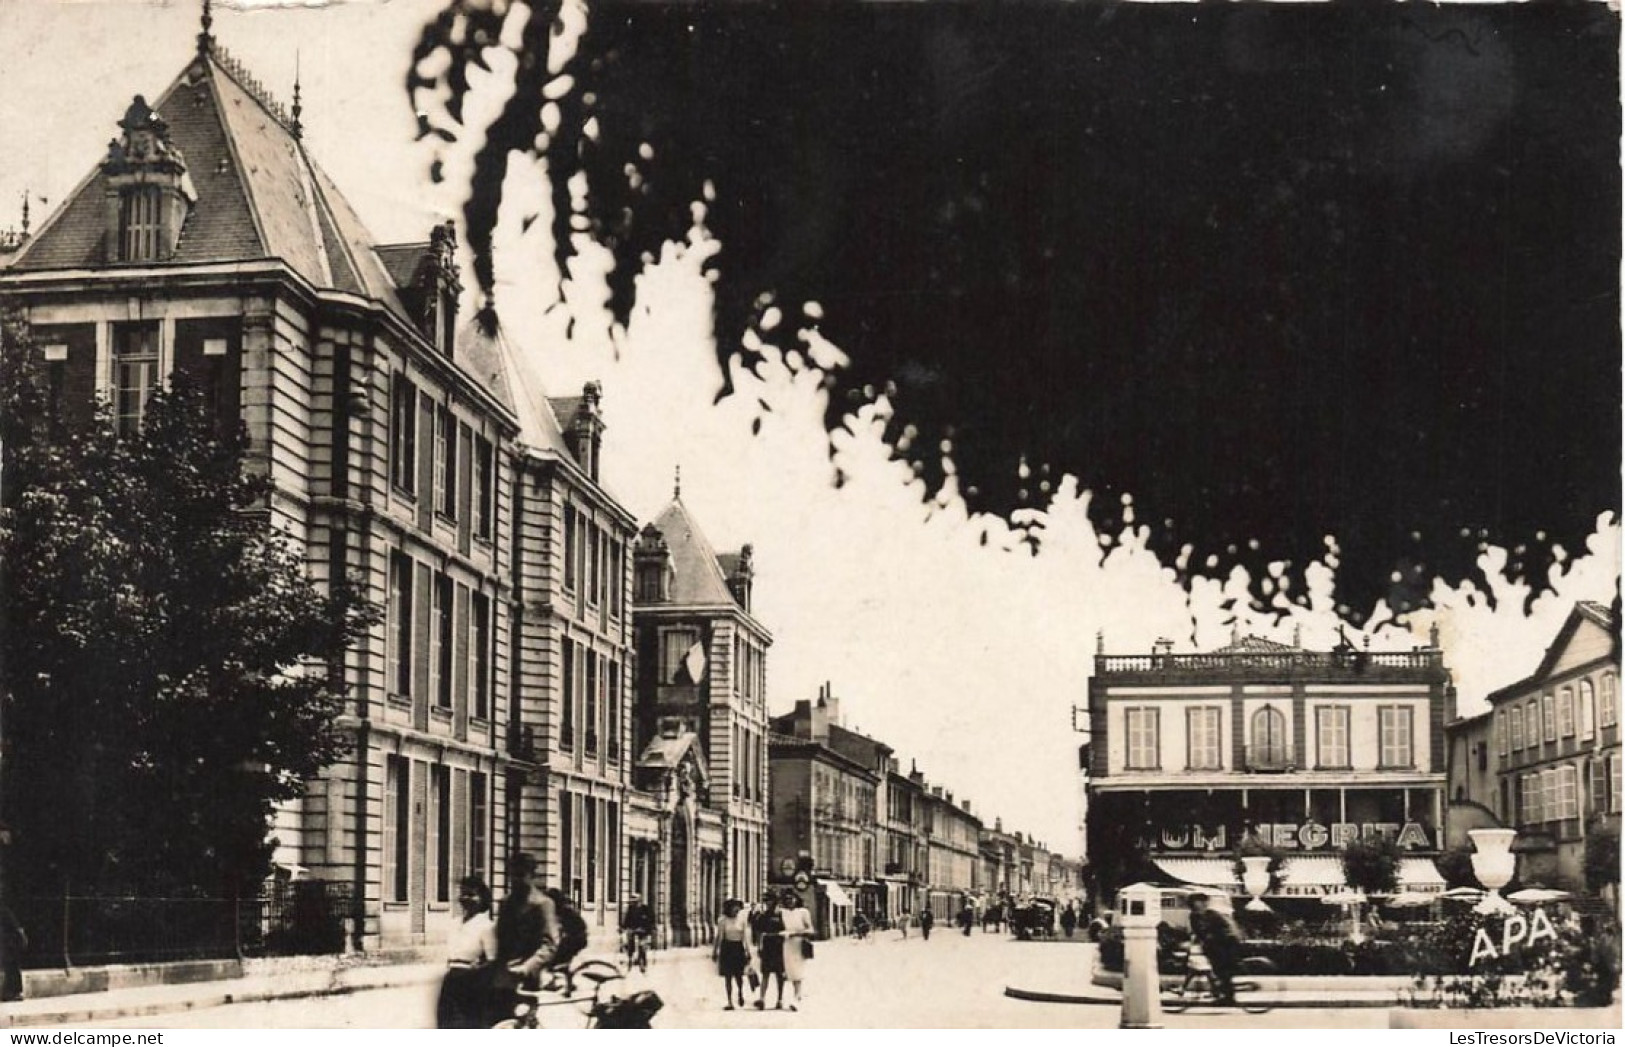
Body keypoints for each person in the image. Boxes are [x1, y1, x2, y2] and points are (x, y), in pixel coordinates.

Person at [492, 854, 565, 1022]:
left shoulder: (542, 904)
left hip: (527, 978)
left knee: (523, 1023)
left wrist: (527, 967)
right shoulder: (506, 903)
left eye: (520, 875)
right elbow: (499, 938)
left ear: (532, 875)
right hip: (502, 976)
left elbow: (550, 944)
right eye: (512, 875)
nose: (515, 879)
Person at [437, 876, 498, 1028]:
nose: (466, 898)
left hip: (473, 982)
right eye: (463, 894)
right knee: (446, 1025)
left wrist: (476, 974)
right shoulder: (454, 923)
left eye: (471, 895)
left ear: (482, 898)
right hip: (451, 980)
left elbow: (493, 961)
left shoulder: (487, 926)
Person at [1187, 892, 1242, 1005]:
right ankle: (1221, 993)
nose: (1203, 904)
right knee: (1216, 969)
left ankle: (1228, 997)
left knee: (1222, 970)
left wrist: (1210, 937)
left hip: (1225, 943)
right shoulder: (1194, 916)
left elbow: (1225, 930)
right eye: (1200, 901)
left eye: (1204, 902)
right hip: (1212, 946)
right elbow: (1198, 932)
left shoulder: (1212, 915)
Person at [713, 898, 754, 1011]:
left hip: (738, 948)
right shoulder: (722, 920)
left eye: (738, 908)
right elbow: (719, 937)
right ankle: (730, 1001)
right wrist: (715, 951)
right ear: (729, 908)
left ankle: (740, 992)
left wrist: (748, 951)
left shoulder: (742, 919)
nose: (736, 910)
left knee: (739, 975)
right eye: (734, 908)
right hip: (727, 948)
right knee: (728, 977)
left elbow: (745, 937)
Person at [751, 891, 787, 1010]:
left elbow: (787, 929)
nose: (768, 903)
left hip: (779, 945)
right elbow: (759, 932)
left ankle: (780, 1000)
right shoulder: (763, 915)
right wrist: (759, 947)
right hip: (767, 945)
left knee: (779, 975)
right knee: (765, 973)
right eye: (766, 901)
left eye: (770, 900)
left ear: (775, 901)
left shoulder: (781, 915)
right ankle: (762, 999)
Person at [779, 891, 814, 1011]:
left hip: (799, 944)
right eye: (787, 898)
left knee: (798, 972)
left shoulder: (803, 912)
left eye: (791, 898)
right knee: (791, 972)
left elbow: (810, 930)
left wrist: (795, 933)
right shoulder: (782, 913)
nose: (789, 901)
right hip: (787, 945)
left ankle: (797, 998)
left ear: (796, 899)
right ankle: (792, 997)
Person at [622, 892, 655, 968]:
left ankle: (643, 961)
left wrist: (648, 929)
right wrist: (624, 927)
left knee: (642, 946)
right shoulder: (631, 909)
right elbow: (627, 920)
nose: (633, 903)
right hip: (633, 930)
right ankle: (630, 958)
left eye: (635, 902)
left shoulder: (645, 909)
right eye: (632, 902)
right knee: (630, 942)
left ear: (639, 901)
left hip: (643, 931)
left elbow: (650, 920)